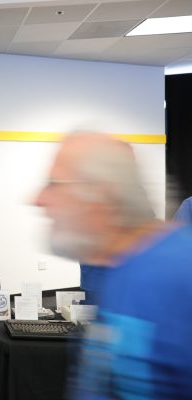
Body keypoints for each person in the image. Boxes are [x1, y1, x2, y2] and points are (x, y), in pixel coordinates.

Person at [34, 132, 192, 398]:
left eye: (55, 184)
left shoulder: (178, 276)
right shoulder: (119, 273)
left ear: (101, 194)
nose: (38, 199)